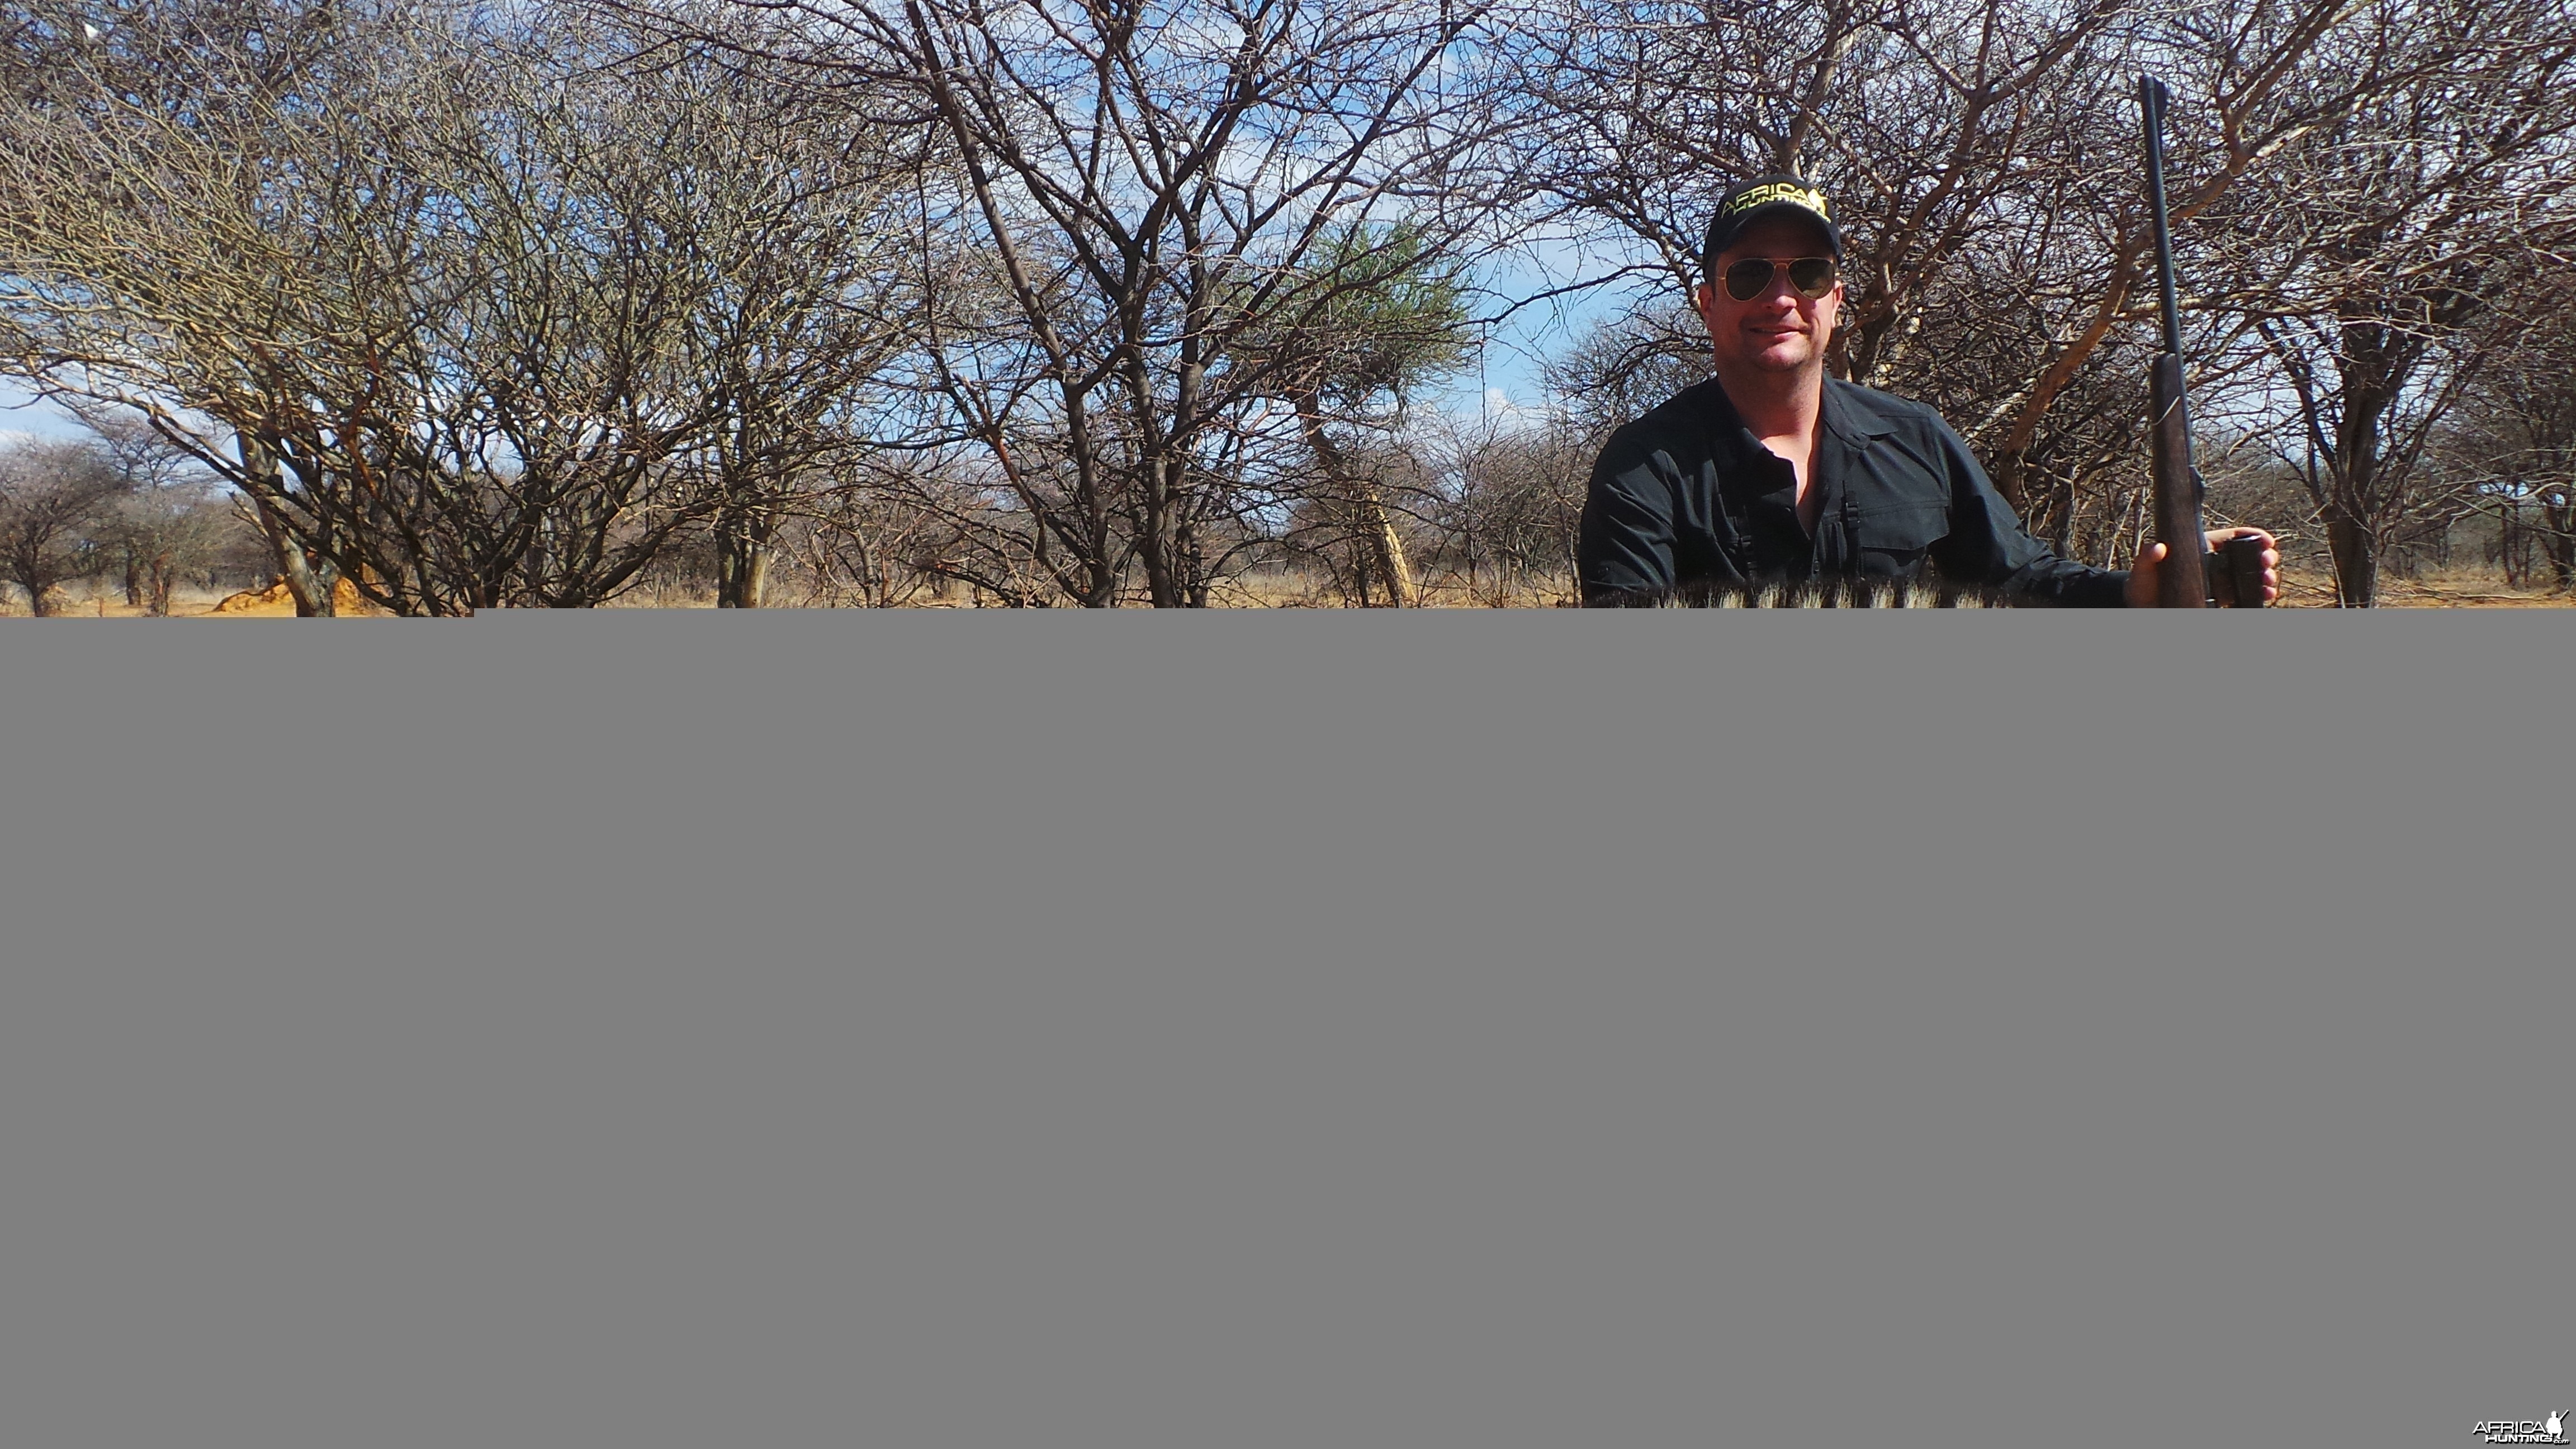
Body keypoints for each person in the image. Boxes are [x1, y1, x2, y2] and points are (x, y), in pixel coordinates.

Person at [1576, 175, 2279, 607]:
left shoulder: (1916, 437)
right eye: (1751, 275)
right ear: (1708, 300)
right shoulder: (1643, 468)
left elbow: (2020, 579)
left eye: (1810, 275)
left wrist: (2137, 592)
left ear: (1838, 299)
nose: (1782, 297)